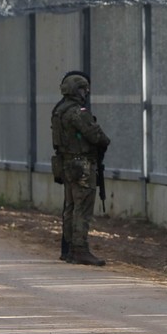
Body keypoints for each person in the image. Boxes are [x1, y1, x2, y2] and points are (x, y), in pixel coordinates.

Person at [50, 72, 110, 266]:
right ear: (78, 90)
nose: (86, 93)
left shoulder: (59, 111)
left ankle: (68, 249)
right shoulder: (78, 112)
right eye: (84, 89)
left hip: (66, 163)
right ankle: (80, 250)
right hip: (82, 164)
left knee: (70, 207)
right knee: (82, 207)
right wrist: (103, 141)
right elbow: (97, 136)